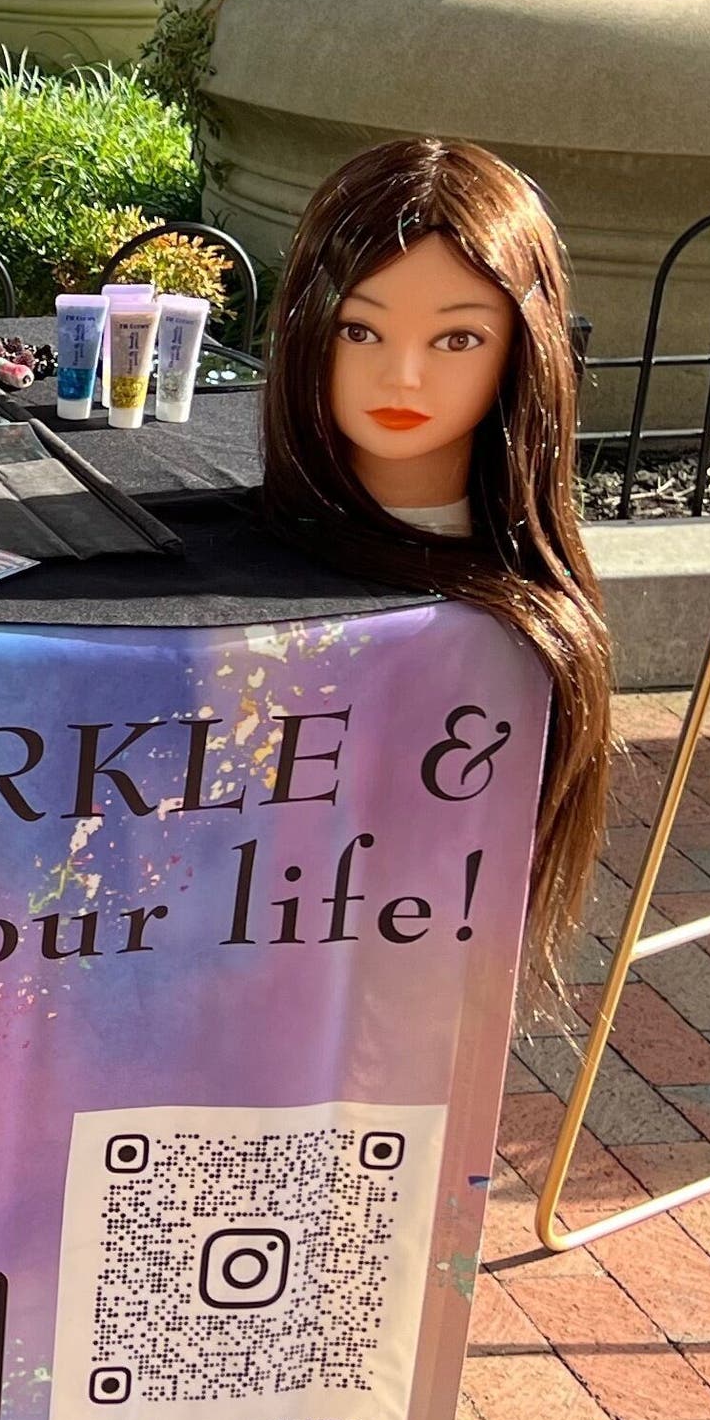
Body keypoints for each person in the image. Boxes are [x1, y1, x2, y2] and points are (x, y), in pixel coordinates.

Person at [258, 137, 615, 948]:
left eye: (457, 339)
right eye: (360, 331)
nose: (403, 377)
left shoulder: (526, 619)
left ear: (522, 352)